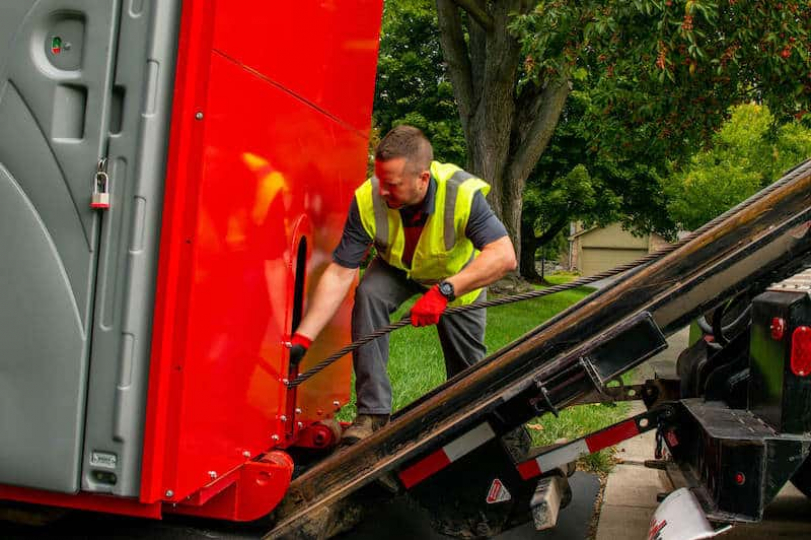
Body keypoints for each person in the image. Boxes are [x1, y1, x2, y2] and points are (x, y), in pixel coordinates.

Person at [289, 125, 516, 444]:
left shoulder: (462, 194)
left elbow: (504, 256)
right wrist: (304, 336)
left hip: (455, 278)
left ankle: (479, 423)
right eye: (380, 180)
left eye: (391, 184)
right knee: (369, 294)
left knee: (469, 372)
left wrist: (445, 291)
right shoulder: (368, 197)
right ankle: (373, 414)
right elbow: (341, 272)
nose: (381, 191)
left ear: (422, 179)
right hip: (396, 268)